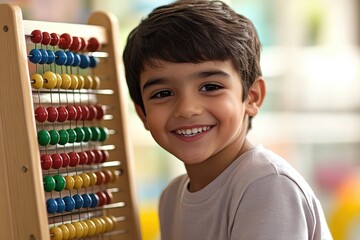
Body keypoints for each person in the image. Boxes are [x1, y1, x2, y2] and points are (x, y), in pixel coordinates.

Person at [122, 0, 333, 239]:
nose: (187, 109)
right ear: (142, 114)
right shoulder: (171, 198)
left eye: (210, 87)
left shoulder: (267, 184)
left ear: (252, 97)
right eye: (163, 93)